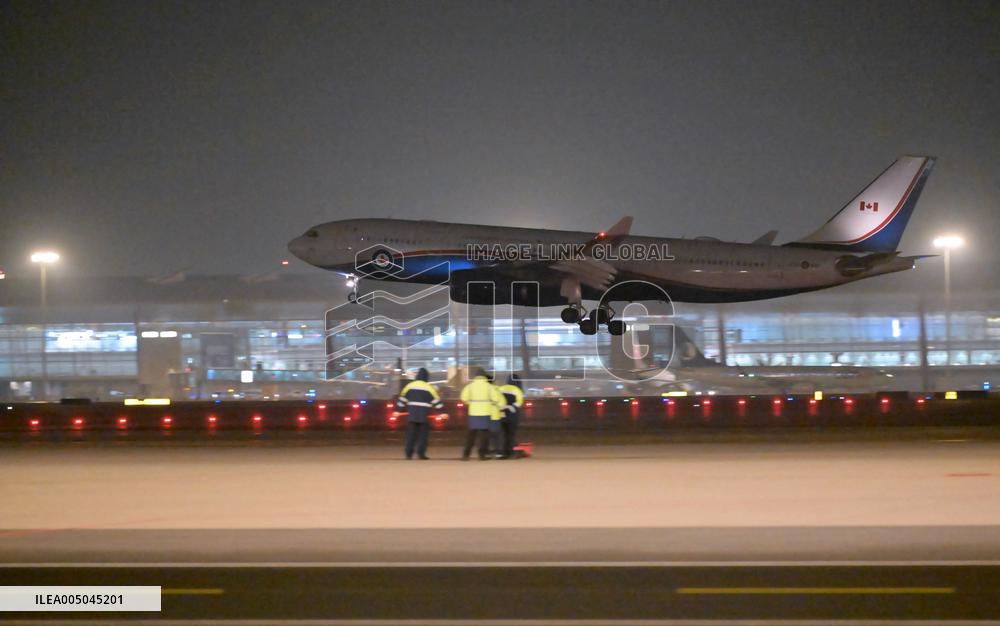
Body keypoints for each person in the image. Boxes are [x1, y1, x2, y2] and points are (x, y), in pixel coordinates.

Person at [395, 368, 443, 460]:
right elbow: (436, 402)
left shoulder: (409, 386)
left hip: (412, 415)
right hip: (423, 415)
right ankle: (421, 454)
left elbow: (402, 400)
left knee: (411, 435)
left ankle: (408, 454)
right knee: (423, 436)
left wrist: (397, 411)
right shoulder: (429, 388)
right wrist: (442, 412)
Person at [459, 368, 505, 460]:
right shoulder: (489, 386)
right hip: (485, 412)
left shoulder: (470, 386)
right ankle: (482, 455)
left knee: (471, 435)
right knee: (483, 435)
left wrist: (470, 403)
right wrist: (500, 407)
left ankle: (466, 455)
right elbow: (496, 399)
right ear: (484, 376)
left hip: (473, 413)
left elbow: (463, 398)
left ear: (475, 376)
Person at [498, 373, 525, 458]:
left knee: (503, 434)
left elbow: (497, 399)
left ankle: (503, 453)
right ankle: (511, 452)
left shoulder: (501, 388)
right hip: (512, 415)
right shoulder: (517, 390)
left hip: (501, 414)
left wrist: (503, 407)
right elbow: (519, 402)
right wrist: (512, 407)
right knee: (511, 434)